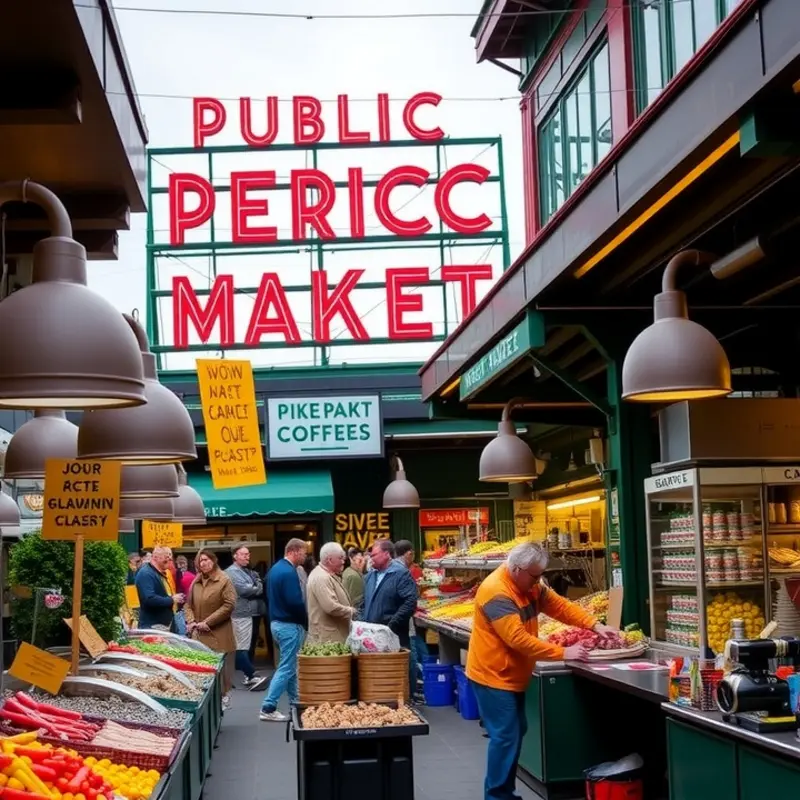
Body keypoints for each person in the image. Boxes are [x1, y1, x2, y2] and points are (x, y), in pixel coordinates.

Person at [466, 542, 617, 800]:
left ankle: (503, 793)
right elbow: (518, 639)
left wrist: (594, 625)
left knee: (514, 732)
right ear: (517, 569)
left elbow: (560, 606)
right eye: (535, 576)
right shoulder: (496, 592)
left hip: (512, 675)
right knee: (506, 736)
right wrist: (563, 653)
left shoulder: (531, 585)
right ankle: (498, 796)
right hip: (493, 676)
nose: (539, 581)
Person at [260, 538, 308, 723]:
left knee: (290, 667)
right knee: (287, 667)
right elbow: (295, 602)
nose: (305, 556)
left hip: (277, 623)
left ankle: (296, 704)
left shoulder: (275, 569)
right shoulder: (289, 572)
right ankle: (268, 706)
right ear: (294, 551)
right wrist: (305, 621)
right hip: (289, 625)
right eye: (303, 553)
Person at [185, 549, 237, 709]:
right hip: (198, 634)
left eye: (206, 559)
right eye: (200, 561)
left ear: (214, 561)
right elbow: (188, 604)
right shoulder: (196, 581)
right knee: (201, 672)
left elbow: (229, 604)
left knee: (220, 672)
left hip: (218, 633)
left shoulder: (224, 580)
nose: (203, 563)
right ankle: (207, 706)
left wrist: (208, 622)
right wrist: (191, 621)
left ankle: (223, 699)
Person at [225, 544, 267, 690]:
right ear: (235, 556)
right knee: (241, 648)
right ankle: (251, 674)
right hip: (239, 614)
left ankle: (248, 676)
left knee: (243, 646)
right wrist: (257, 584)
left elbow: (256, 588)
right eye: (243, 554)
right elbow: (245, 590)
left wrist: (255, 585)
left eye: (248, 554)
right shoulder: (232, 572)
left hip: (245, 613)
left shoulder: (245, 571)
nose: (247, 557)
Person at [362, 539, 417, 648]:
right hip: (371, 637)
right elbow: (363, 602)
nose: (371, 558)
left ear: (386, 554)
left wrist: (391, 625)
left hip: (394, 638)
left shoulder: (401, 573)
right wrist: (362, 621)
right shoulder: (370, 576)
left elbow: (410, 602)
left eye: (374, 555)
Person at [394, 539, 428, 701]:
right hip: (405, 625)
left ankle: (409, 692)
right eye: (412, 554)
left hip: (398, 623)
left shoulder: (391, 569)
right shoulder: (403, 571)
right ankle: (413, 693)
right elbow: (410, 599)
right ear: (408, 553)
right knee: (411, 656)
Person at [307, 542, 356, 644]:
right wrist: (351, 611)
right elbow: (331, 607)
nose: (343, 561)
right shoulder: (321, 577)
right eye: (340, 558)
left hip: (331, 637)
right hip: (327, 640)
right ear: (330, 560)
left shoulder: (325, 574)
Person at [134, 546, 184, 631]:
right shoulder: (146, 573)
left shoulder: (160, 573)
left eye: (170, 557)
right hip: (153, 628)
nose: (170, 559)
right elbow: (149, 599)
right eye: (166, 557)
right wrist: (172, 599)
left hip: (163, 626)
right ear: (155, 557)